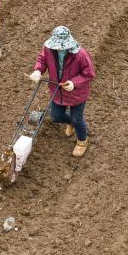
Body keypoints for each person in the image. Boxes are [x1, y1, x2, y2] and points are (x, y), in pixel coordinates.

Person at [29, 26, 95, 158]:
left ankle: (82, 141)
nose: (58, 48)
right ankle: (72, 123)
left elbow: (89, 74)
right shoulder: (48, 49)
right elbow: (41, 60)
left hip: (76, 93)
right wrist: (37, 71)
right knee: (56, 116)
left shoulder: (80, 54)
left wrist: (73, 83)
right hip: (57, 90)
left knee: (77, 119)